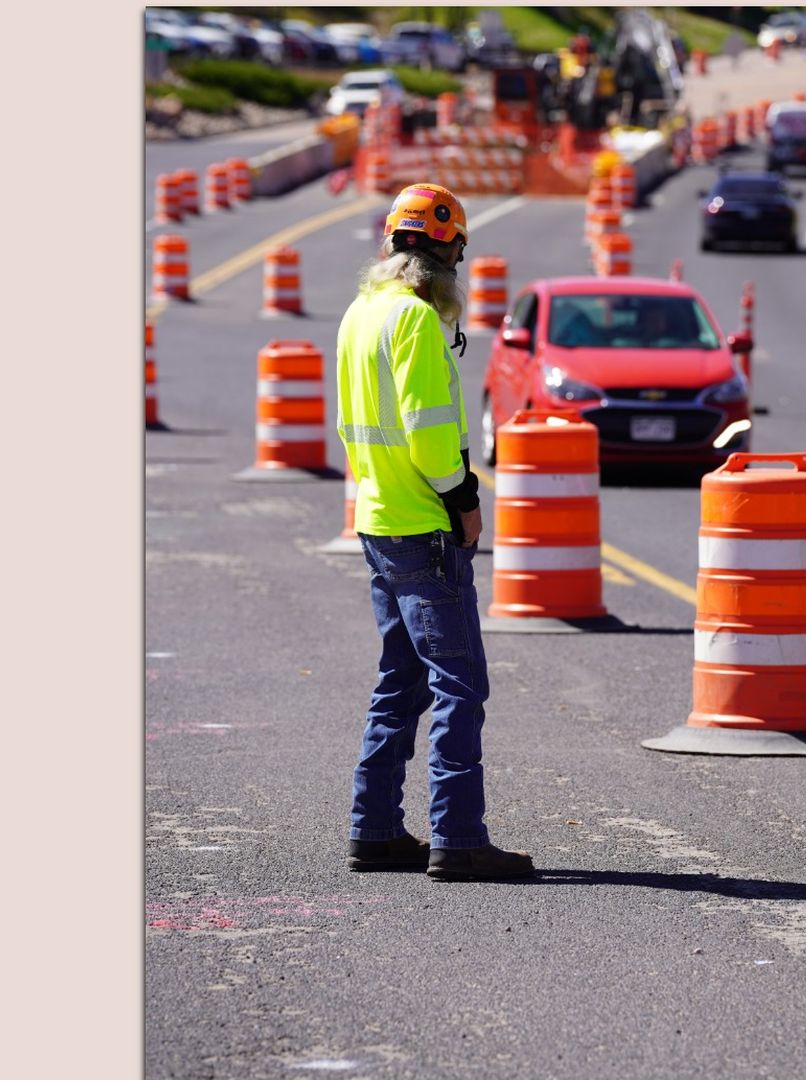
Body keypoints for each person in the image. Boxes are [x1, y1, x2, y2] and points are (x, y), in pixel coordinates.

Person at [333, 182, 535, 882]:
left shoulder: (361, 313)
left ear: (391, 242)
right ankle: (458, 837)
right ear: (448, 253)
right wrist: (466, 497)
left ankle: (376, 828)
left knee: (402, 678)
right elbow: (429, 434)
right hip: (424, 523)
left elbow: (353, 430)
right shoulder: (416, 320)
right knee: (459, 683)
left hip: (379, 519)